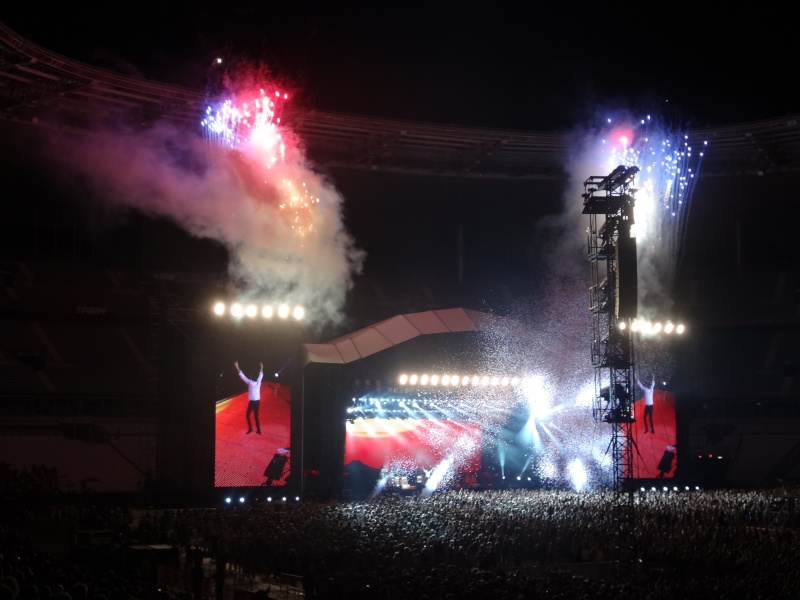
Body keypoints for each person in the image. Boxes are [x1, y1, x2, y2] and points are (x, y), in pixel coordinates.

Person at [235, 360, 263, 434]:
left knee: (248, 415)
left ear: (251, 377)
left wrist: (237, 366)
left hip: (252, 402)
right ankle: (258, 430)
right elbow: (261, 374)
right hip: (257, 402)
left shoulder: (250, 383)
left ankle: (251, 428)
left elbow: (242, 376)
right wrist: (262, 366)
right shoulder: (259, 382)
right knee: (256, 416)